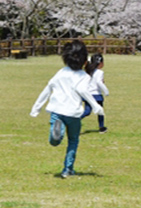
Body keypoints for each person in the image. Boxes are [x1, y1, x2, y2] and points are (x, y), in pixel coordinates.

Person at [30, 40, 104, 178]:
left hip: (57, 110)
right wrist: (96, 106)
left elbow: (48, 88)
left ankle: (56, 134)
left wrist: (36, 108)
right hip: (73, 112)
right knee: (73, 141)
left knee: (55, 141)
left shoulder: (61, 72)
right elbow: (83, 91)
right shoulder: (84, 77)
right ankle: (67, 169)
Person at [81, 53, 109, 133]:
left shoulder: (87, 71)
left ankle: (74, 120)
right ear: (100, 63)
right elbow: (99, 82)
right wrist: (106, 91)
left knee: (87, 111)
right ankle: (101, 127)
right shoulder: (100, 72)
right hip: (96, 95)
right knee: (100, 111)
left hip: (88, 94)